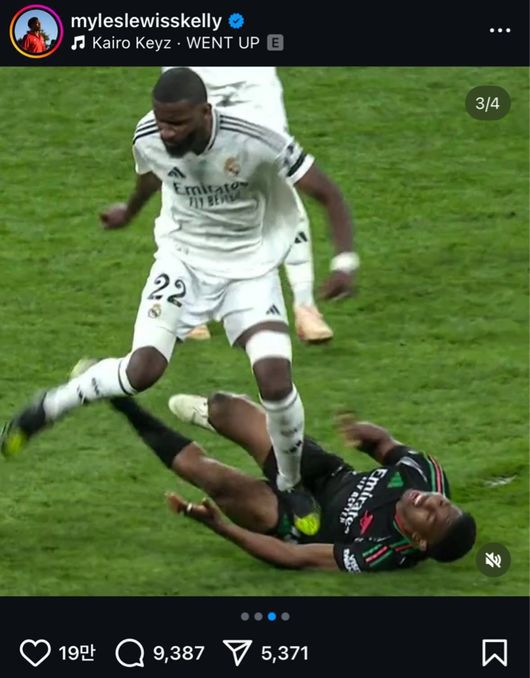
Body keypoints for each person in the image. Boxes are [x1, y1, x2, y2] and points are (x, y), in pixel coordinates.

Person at [1, 68, 358, 536]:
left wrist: (344, 263)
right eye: (161, 121)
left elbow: (327, 193)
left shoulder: (257, 139)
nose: (167, 132)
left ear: (205, 112)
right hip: (182, 262)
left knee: (275, 380)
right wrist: (129, 211)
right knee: (141, 372)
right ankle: (48, 407)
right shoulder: (148, 134)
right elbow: (154, 174)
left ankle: (290, 483)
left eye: (177, 124)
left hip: (249, 269)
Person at [107, 391, 476, 573]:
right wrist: (365, 434)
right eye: (442, 502)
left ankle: (123, 404)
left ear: (418, 540)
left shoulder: (382, 552)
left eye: (431, 515)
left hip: (299, 521)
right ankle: (213, 416)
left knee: (213, 479)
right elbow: (384, 445)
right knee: (224, 406)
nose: (429, 501)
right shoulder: (426, 474)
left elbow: (294, 557)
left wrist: (220, 526)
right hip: (325, 473)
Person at [160, 67, 350, 343]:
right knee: (189, 179)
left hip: (251, 80)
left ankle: (305, 305)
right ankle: (191, 304)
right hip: (191, 80)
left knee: (277, 176)